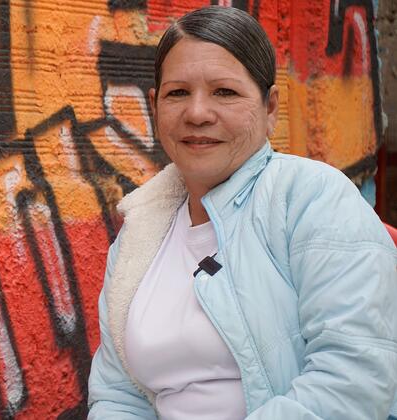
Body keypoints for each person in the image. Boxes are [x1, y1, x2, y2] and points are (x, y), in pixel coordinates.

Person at [87, 6, 397, 419]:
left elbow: (355, 378)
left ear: (270, 108)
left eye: (225, 92)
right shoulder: (138, 236)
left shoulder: (312, 199)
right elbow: (117, 397)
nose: (197, 113)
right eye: (178, 92)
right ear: (154, 105)